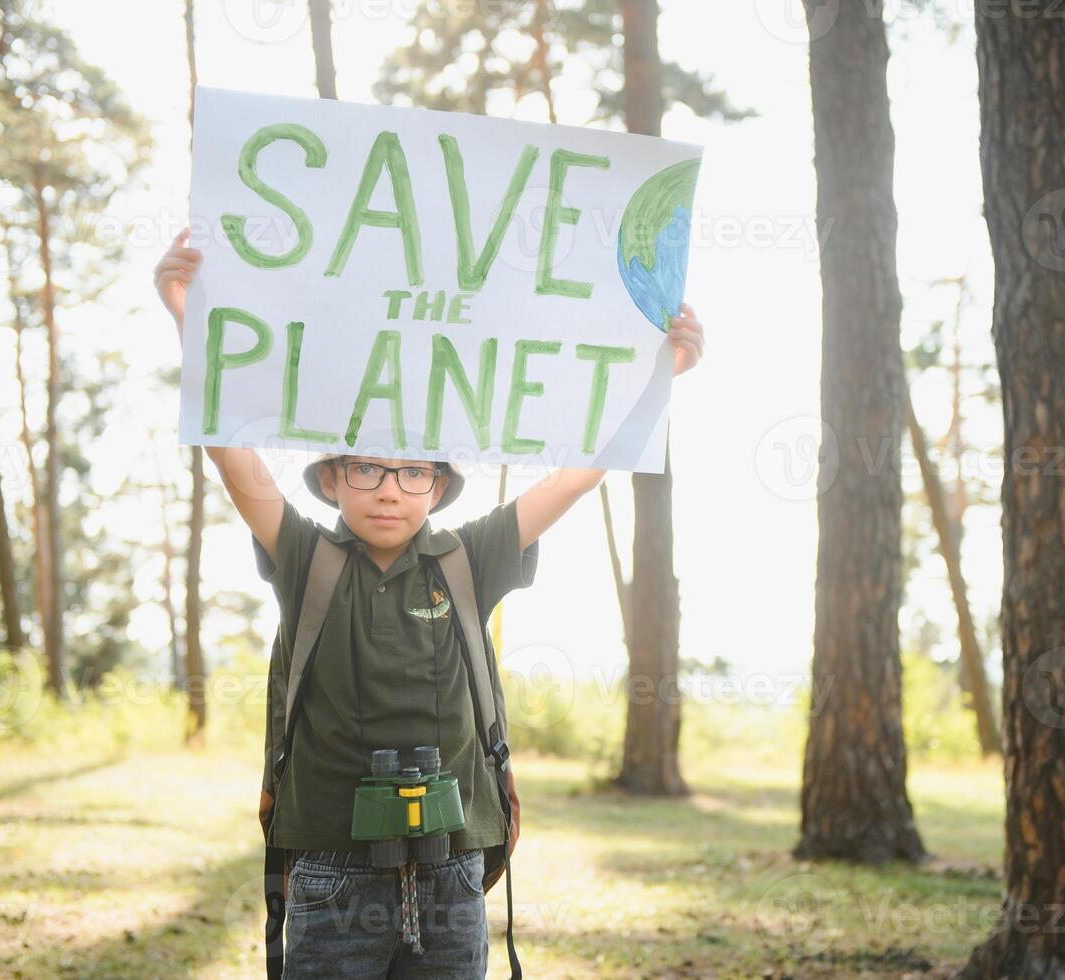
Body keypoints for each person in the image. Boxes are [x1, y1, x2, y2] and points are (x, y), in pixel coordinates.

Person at [154, 228, 704, 977]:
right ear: (332, 479)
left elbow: (578, 474)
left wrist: (663, 370)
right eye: (368, 469)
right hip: (329, 866)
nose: (389, 487)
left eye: (414, 472)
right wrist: (185, 311)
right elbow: (229, 449)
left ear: (439, 487)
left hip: (452, 866)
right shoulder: (306, 556)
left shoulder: (466, 556)